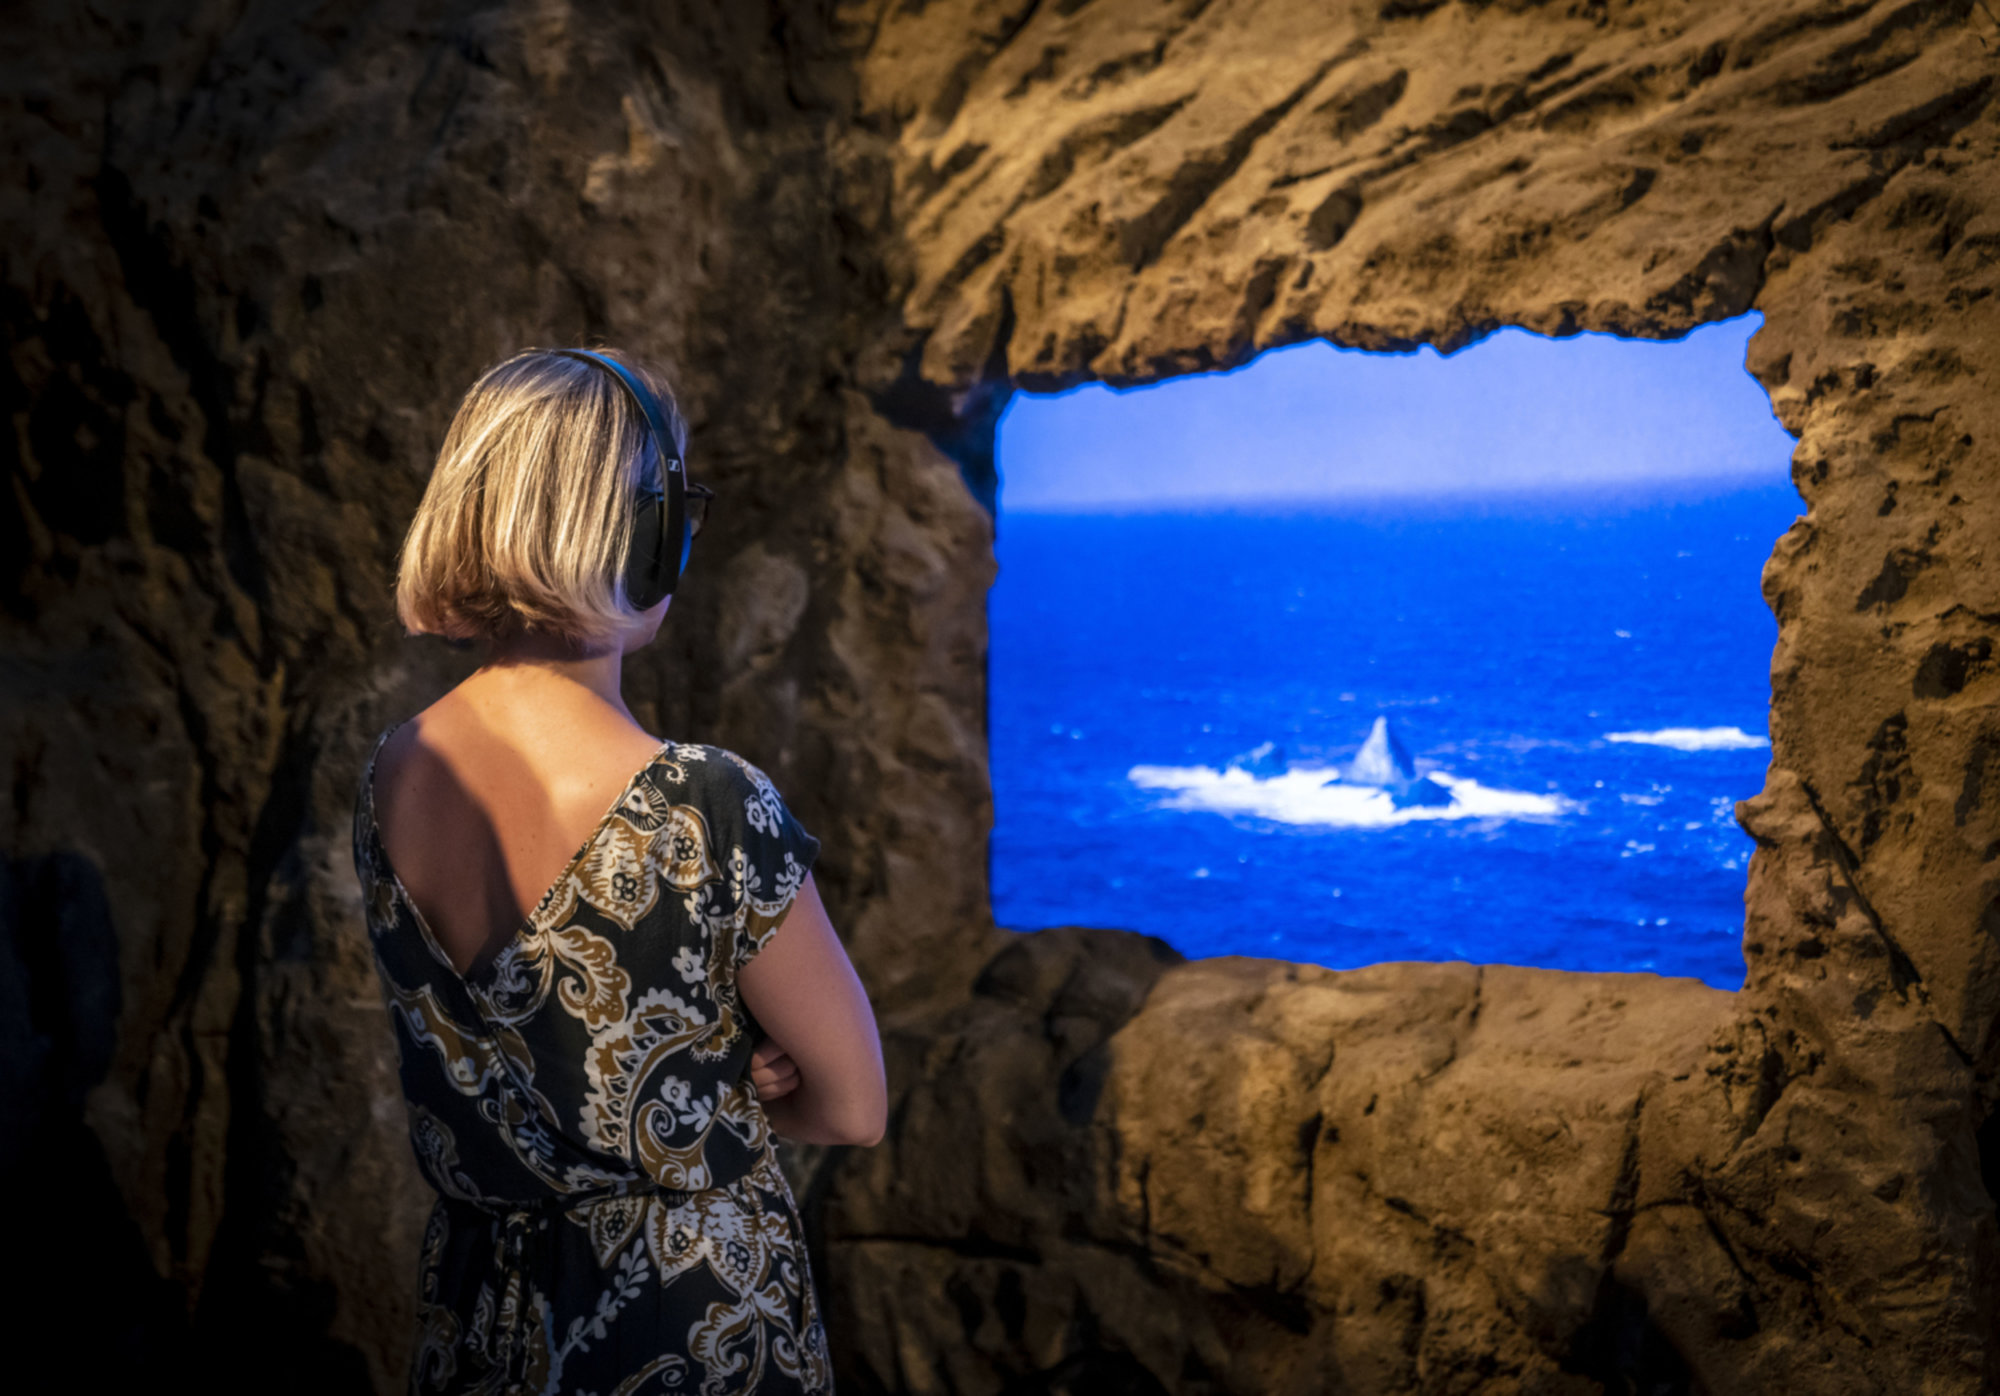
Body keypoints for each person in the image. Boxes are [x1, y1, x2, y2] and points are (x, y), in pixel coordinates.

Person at [349, 346, 885, 1395]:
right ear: (638, 535)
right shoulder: (708, 803)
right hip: (685, 1327)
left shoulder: (392, 776)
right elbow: (852, 1104)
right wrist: (731, 1082)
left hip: (481, 1324)